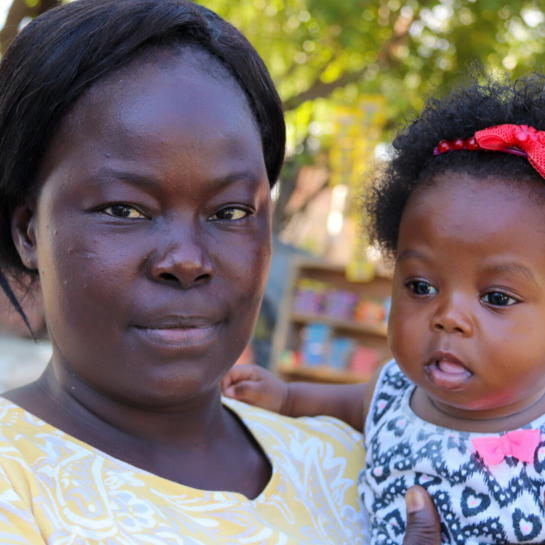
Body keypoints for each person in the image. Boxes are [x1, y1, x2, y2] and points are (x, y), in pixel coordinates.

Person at [0, 0, 442, 542]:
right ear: (28, 230)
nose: (186, 260)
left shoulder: (358, 463)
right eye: (124, 210)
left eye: (230, 212)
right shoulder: (14, 481)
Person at [223, 72, 545, 544]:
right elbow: (356, 404)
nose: (448, 316)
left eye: (496, 298)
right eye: (420, 285)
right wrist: (287, 399)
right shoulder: (397, 387)